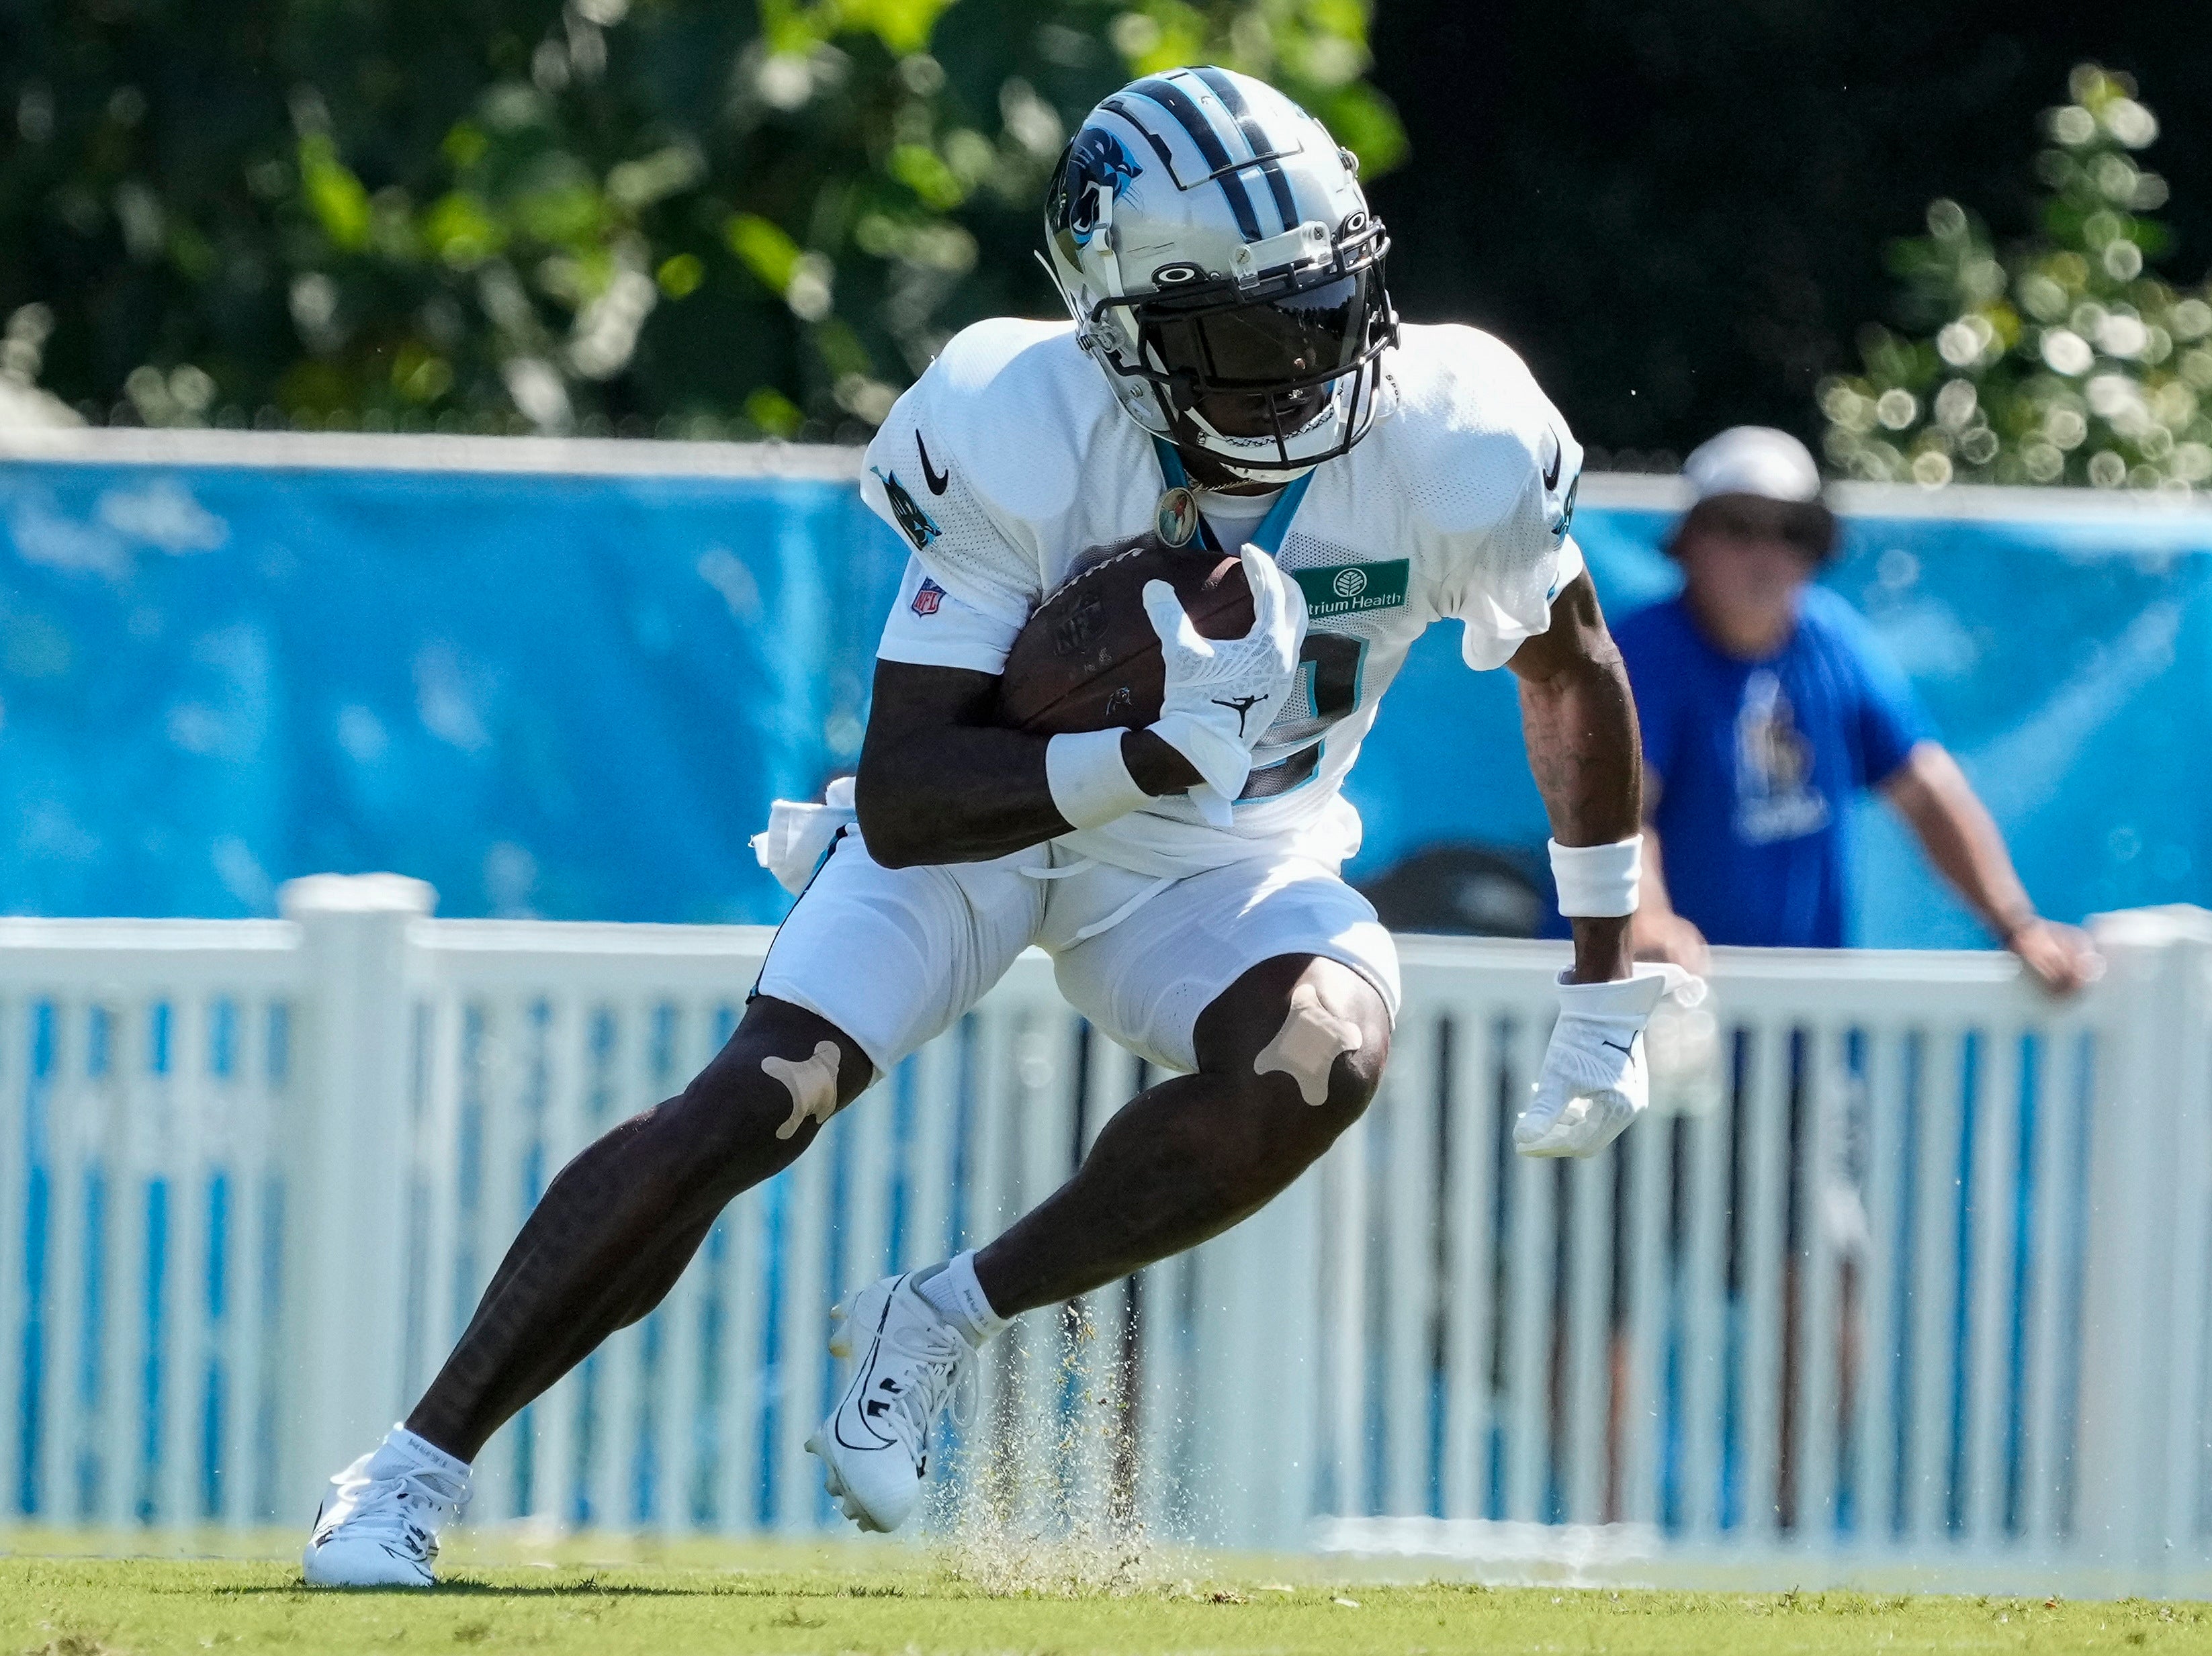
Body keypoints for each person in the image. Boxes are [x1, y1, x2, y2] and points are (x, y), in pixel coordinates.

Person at [300, 66, 1689, 1587]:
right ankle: (406, 1470)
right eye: (1244, 331)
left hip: (1232, 859)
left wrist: (1601, 974)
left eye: (1326, 307)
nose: (1301, 365)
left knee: (1321, 1058)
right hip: (996, 828)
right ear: (1123, 333)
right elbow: (907, 786)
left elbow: (1570, 670)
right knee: (765, 1092)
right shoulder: (1020, 417)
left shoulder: (1460, 429)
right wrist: (1141, 751)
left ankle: (942, 1314)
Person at [1613, 426, 2096, 991]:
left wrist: (2018, 927)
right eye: (1739, 527)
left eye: (1792, 532)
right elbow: (1621, 815)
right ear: (1689, 541)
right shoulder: (1643, 653)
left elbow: (1925, 789)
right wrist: (1646, 920)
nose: (1766, 555)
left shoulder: (1832, 640)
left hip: (1802, 1025)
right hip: (1656, 1011)